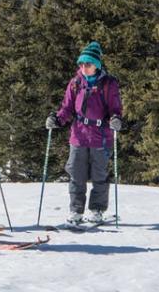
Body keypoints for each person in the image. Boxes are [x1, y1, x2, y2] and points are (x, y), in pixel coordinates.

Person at [45, 41, 123, 226]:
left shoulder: (109, 84)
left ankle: (96, 210)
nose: (83, 67)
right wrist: (57, 119)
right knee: (76, 175)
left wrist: (116, 119)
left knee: (99, 175)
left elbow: (116, 109)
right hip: (78, 134)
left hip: (100, 136)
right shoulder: (75, 83)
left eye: (87, 64)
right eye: (81, 64)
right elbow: (67, 107)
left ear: (96, 64)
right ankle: (76, 210)